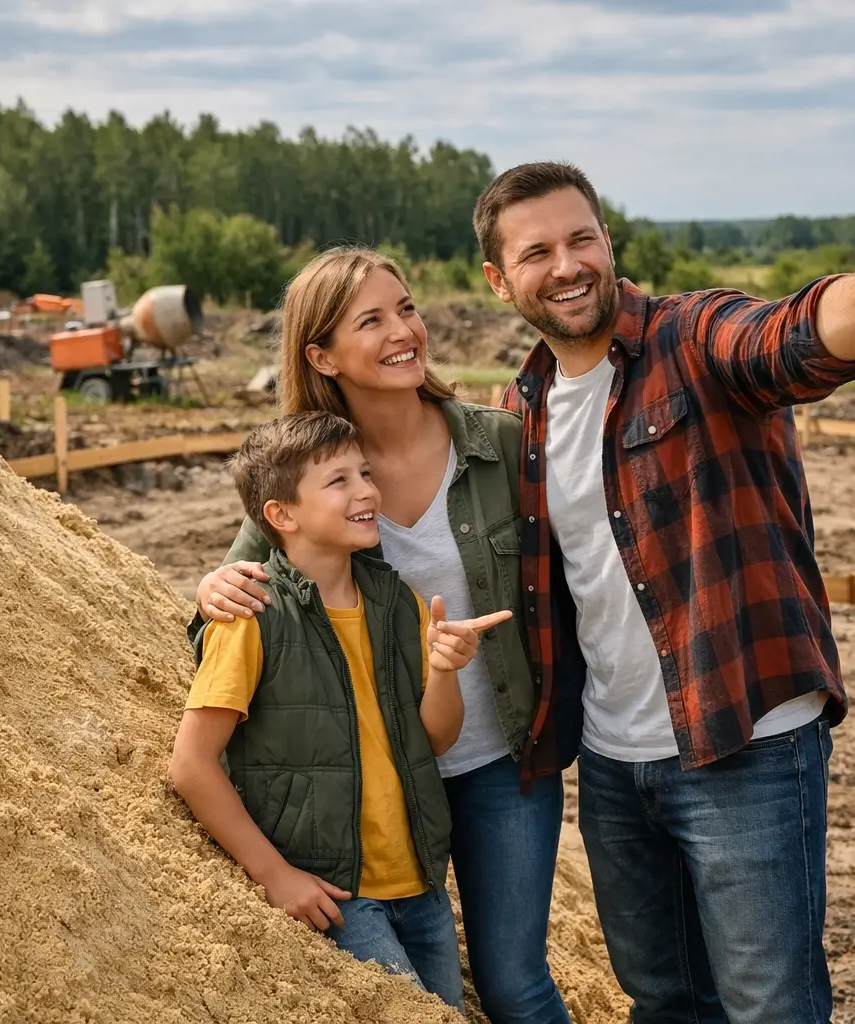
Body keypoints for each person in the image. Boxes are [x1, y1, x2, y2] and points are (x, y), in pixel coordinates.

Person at [471, 160, 855, 1024]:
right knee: (666, 1001)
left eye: (581, 239)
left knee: (771, 1009)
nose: (566, 265)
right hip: (612, 760)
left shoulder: (693, 339)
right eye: (537, 253)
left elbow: (796, 335)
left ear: (609, 243)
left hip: (745, 746)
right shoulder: (521, 409)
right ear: (500, 281)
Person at [193, 247, 575, 1024]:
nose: (404, 330)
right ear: (321, 354)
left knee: (514, 986)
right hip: (387, 781)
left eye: (406, 308)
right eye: (372, 319)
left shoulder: (499, 443)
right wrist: (209, 589)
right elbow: (238, 594)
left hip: (498, 760)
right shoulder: (312, 468)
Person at [169, 410, 512, 1011]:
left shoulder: (395, 601)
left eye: (365, 473)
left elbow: (434, 739)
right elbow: (192, 765)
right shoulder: (251, 617)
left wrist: (443, 670)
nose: (367, 492)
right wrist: (275, 876)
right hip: (335, 892)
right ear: (281, 515)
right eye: (339, 481)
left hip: (421, 885)